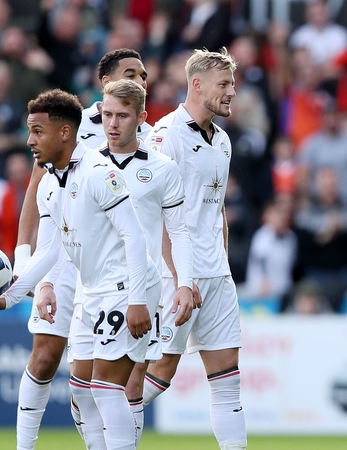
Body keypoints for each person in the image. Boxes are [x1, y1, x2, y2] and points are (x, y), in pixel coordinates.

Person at [0, 88, 158, 450]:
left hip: (127, 287)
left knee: (106, 386)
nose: (30, 141)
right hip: (93, 292)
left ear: (65, 133)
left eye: (38, 131)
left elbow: (134, 237)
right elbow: (49, 252)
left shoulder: (100, 172)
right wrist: (8, 299)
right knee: (82, 387)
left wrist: (137, 301)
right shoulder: (49, 185)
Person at [7, 48, 151, 450]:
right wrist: (26, 267)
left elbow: (145, 220)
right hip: (70, 264)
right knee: (49, 359)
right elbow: (38, 198)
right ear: (105, 83)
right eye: (130, 74)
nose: (140, 81)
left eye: (143, 75)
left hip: (119, 268)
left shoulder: (148, 136)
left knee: (116, 381)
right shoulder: (67, 128)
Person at [143, 48, 247, 450]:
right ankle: (103, 425)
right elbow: (157, 214)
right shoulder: (165, 136)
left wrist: (222, 265)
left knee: (227, 379)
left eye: (233, 85)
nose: (231, 93)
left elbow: (216, 209)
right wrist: (181, 278)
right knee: (161, 372)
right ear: (197, 84)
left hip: (217, 275)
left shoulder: (221, 140)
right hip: (177, 276)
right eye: (224, 84)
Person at [95, 78, 196, 446]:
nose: (113, 123)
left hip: (140, 288)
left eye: (122, 115)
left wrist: (184, 282)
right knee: (83, 390)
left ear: (141, 117)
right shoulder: (84, 164)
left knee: (131, 379)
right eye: (107, 114)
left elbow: (180, 232)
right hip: (89, 288)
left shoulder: (163, 169)